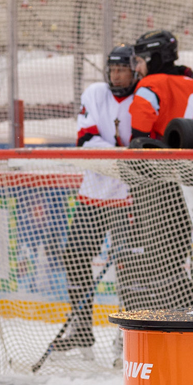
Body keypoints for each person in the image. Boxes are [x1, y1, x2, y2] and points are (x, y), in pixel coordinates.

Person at [122, 30, 193, 313]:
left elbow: (139, 136)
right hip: (190, 182)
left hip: (157, 183)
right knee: (177, 256)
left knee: (154, 257)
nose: (137, 68)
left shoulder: (150, 85)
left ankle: (160, 320)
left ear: (155, 58)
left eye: (140, 61)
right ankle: (181, 313)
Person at [53, 45, 139, 358]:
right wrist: (123, 157)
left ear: (133, 70)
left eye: (122, 70)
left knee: (130, 267)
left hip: (129, 197)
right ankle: (81, 328)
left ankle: (128, 333)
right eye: (112, 70)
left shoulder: (143, 95)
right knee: (74, 255)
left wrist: (123, 159)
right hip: (93, 192)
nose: (116, 75)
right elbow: (86, 139)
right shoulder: (94, 93)